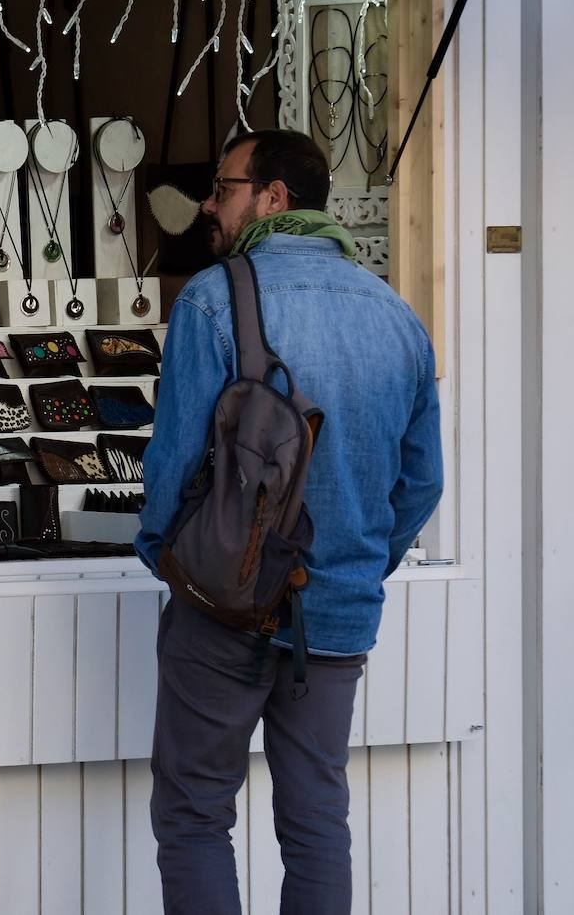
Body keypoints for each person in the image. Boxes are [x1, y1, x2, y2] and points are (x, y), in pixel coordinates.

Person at [136, 129, 443, 914]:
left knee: (195, 814)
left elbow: (170, 472)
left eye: (224, 186)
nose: (210, 202)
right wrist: (358, 565)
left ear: (274, 197)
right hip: (337, 615)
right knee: (315, 821)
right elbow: (422, 484)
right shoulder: (396, 315)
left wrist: (168, 558)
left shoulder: (213, 298)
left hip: (226, 607)